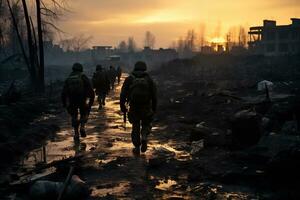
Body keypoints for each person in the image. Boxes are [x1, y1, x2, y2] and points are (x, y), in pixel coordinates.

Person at [120, 61, 157, 153]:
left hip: (134, 106)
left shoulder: (129, 79)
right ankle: (144, 136)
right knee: (146, 123)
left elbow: (123, 94)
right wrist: (154, 108)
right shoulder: (149, 79)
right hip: (146, 106)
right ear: (145, 68)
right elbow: (154, 95)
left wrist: (122, 106)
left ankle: (137, 145)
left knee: (135, 126)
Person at [61, 63, 95, 140]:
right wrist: (90, 102)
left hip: (72, 100)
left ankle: (76, 133)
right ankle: (82, 127)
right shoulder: (83, 76)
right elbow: (90, 89)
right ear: (81, 69)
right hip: (82, 99)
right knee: (84, 113)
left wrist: (64, 104)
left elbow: (63, 92)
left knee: (74, 116)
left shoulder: (69, 78)